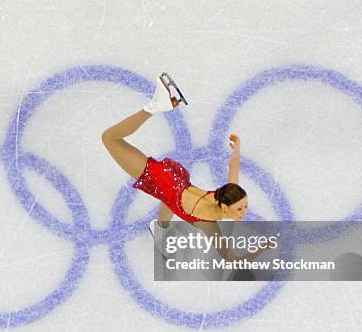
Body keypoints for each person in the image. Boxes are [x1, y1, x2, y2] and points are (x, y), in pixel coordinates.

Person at [101, 73, 262, 263]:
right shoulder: (208, 223)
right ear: (224, 207)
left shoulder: (227, 194)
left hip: (176, 184)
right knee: (110, 138)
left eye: (244, 207)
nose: (244, 212)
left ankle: (161, 233)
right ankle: (155, 105)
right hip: (161, 178)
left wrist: (237, 147)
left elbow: (234, 167)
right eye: (241, 208)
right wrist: (262, 251)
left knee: (169, 203)